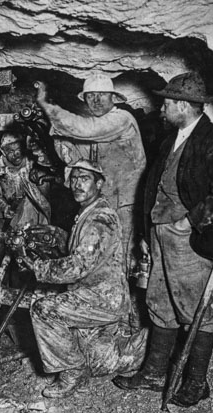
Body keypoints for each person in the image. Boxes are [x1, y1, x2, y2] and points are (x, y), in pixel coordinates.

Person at [112, 72, 213, 407]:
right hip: (160, 233)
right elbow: (154, 187)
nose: (162, 107)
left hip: (188, 242)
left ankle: (197, 383)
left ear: (183, 106)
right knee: (160, 304)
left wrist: (189, 223)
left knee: (193, 310)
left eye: (168, 102)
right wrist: (146, 232)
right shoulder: (170, 138)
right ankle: (155, 373)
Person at [19, 159, 133, 398]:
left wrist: (40, 268)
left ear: (99, 183)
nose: (77, 184)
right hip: (94, 294)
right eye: (74, 179)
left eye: (85, 179)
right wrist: (56, 236)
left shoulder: (100, 219)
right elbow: (83, 252)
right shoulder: (87, 212)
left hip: (102, 299)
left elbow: (79, 265)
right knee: (97, 355)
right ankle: (88, 352)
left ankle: (72, 371)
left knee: (43, 309)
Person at [35, 74, 146, 276]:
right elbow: (77, 160)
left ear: (113, 97)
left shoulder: (121, 119)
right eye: (90, 95)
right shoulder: (95, 129)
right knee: (97, 258)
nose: (95, 100)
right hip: (102, 202)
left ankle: (122, 303)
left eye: (102, 95)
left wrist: (47, 106)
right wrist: (56, 136)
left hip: (126, 204)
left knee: (122, 259)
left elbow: (84, 129)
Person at [0, 130, 51, 231]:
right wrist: (4, 209)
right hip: (9, 222)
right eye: (10, 151)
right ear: (3, 152)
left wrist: (40, 175)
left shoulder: (33, 163)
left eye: (18, 149)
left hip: (35, 214)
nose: (16, 154)